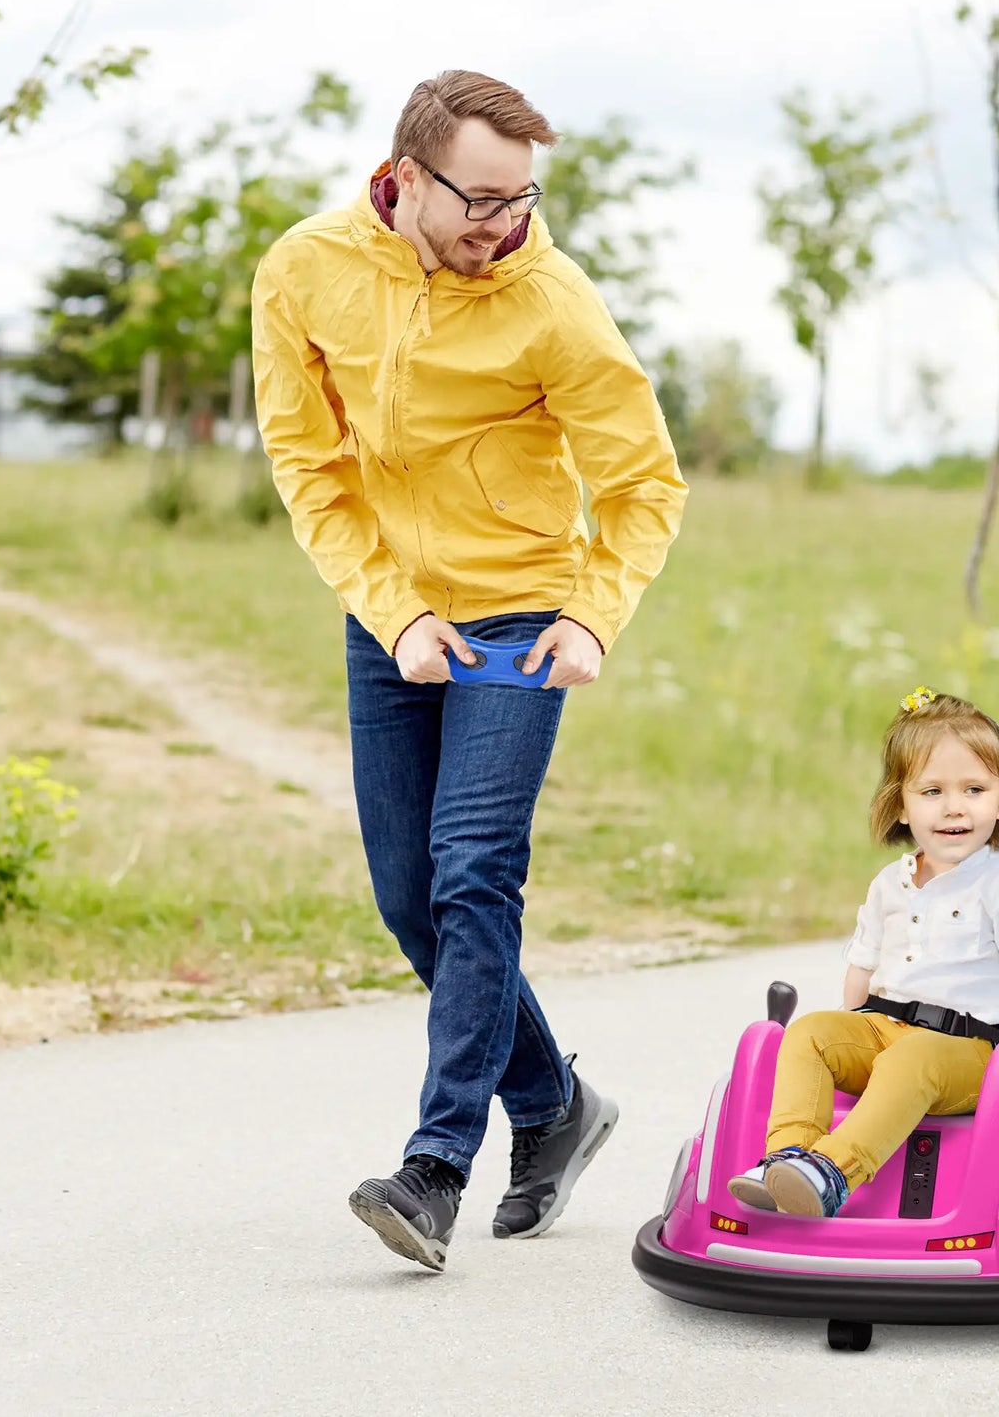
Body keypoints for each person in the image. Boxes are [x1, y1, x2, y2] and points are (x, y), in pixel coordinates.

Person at [250, 70, 687, 1271]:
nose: (506, 224)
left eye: (522, 197)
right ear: (405, 176)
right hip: (391, 613)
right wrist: (392, 615)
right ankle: (554, 1104)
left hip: (521, 616)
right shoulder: (304, 269)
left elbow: (645, 483)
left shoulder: (552, 301)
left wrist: (593, 617)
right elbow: (310, 466)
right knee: (407, 895)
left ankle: (433, 1169)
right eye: (481, 199)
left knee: (472, 872)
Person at [729, 687, 999, 1218]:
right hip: (887, 1032)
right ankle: (788, 1160)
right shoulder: (888, 885)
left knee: (914, 1056)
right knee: (809, 1032)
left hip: (973, 1051)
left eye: (975, 789)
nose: (955, 807)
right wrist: (848, 1036)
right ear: (900, 804)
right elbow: (863, 970)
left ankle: (833, 1172)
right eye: (933, 791)